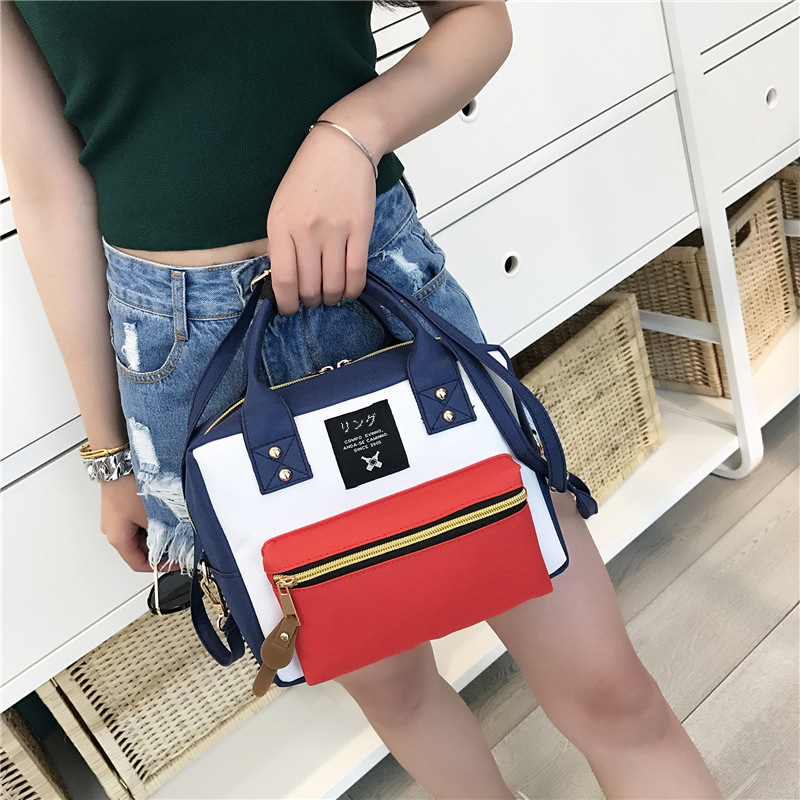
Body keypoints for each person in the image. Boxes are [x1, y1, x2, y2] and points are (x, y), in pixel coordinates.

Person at [1, 1, 722, 797]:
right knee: (395, 692)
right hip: (188, 356)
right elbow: (44, 182)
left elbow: (478, 18)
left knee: (610, 692)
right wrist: (110, 455)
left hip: (378, 283)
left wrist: (352, 132)